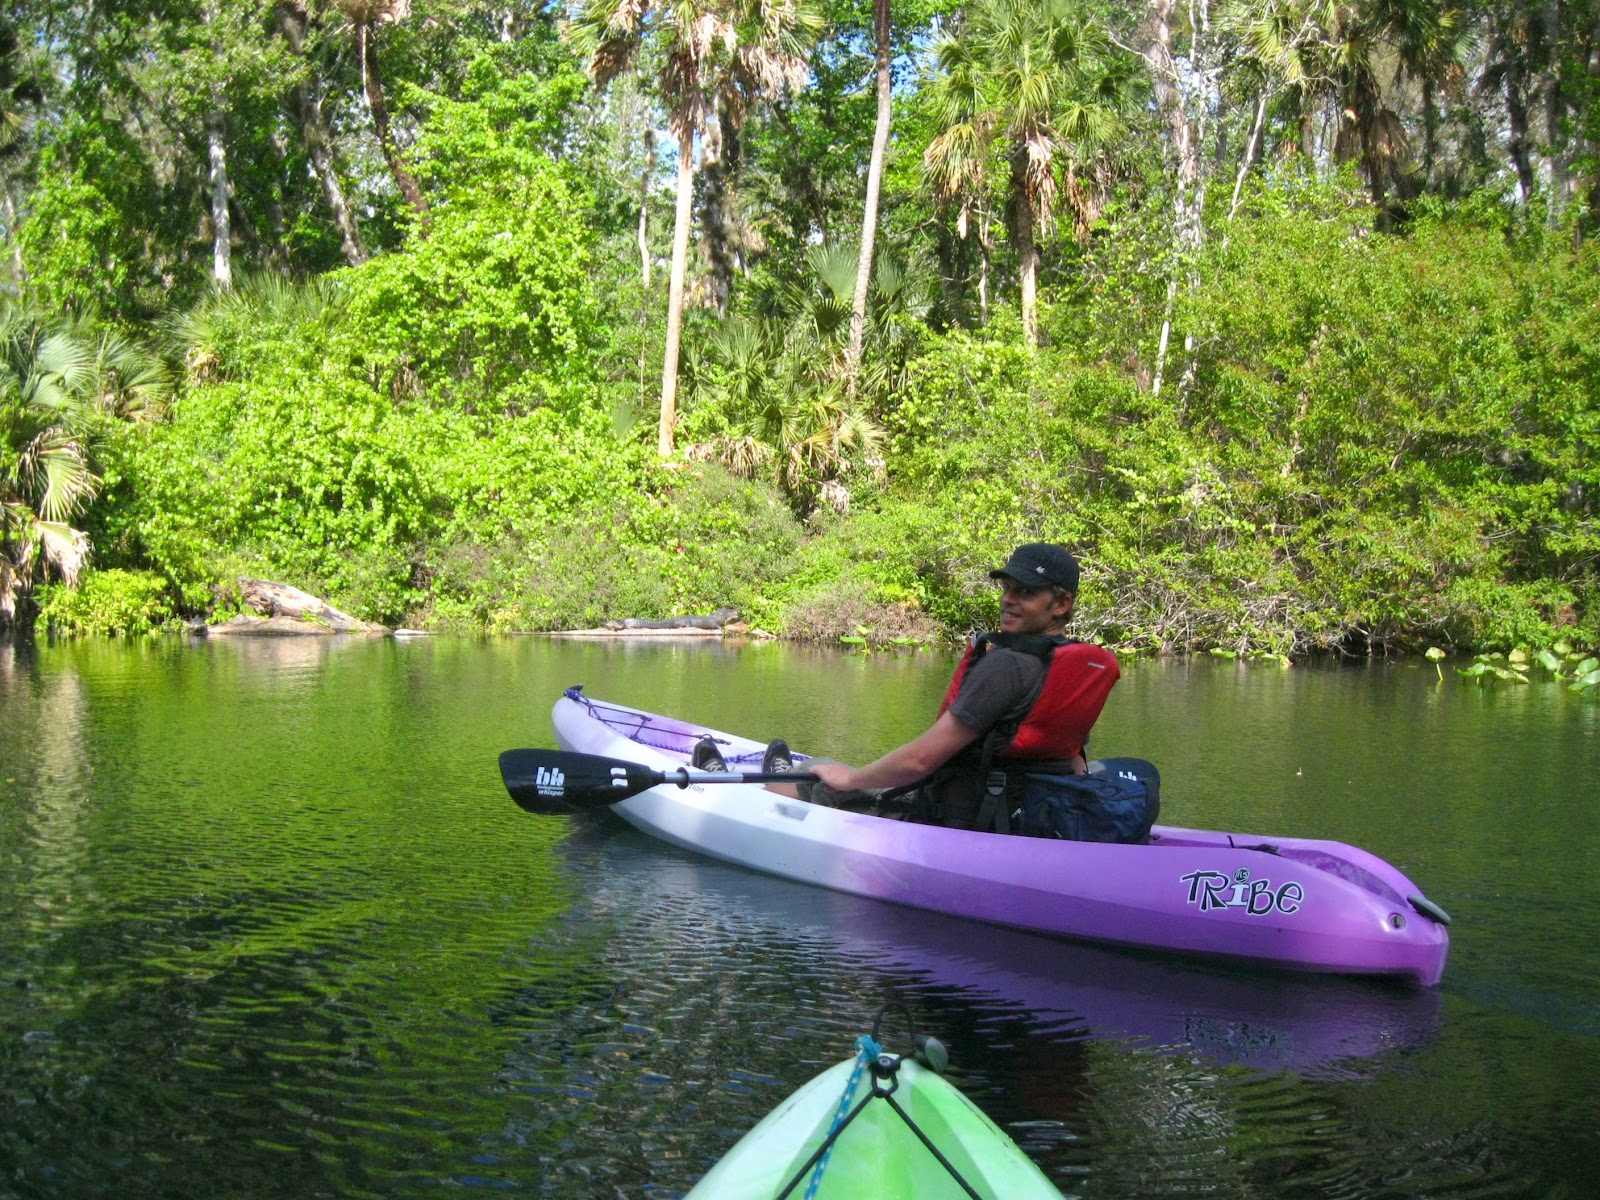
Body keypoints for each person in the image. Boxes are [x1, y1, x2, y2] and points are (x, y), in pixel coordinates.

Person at [803, 542, 1121, 829]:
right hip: (1033, 817)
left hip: (961, 821)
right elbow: (1075, 762)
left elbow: (919, 761)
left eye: (1025, 592)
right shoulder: (1077, 667)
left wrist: (852, 778)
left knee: (813, 773)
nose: (1008, 600)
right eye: (1007, 588)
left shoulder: (1006, 665)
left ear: (1062, 603)